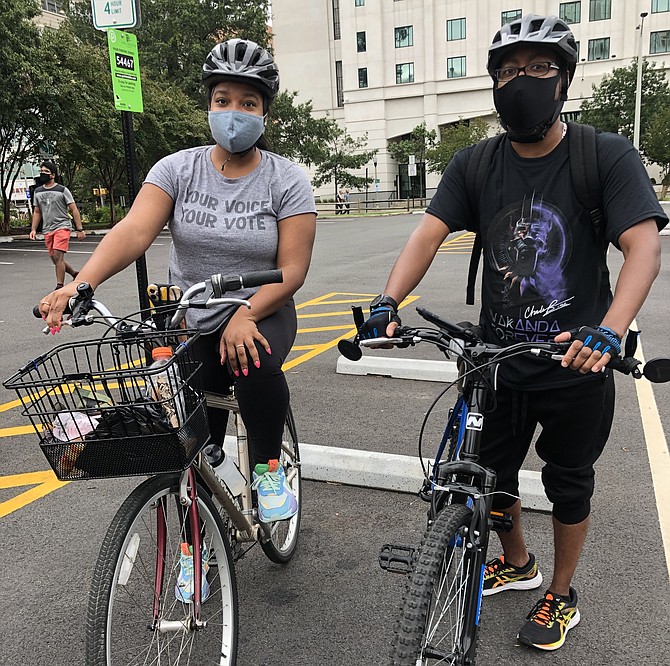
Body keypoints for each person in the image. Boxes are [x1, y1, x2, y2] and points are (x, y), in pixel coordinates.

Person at [358, 14, 666, 652]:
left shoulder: (602, 155)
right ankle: (518, 563)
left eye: (538, 68)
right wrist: (388, 300)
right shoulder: (475, 163)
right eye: (507, 70)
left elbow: (643, 248)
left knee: (568, 480)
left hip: (577, 360)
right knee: (490, 477)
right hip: (497, 359)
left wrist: (608, 333)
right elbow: (428, 232)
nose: (519, 80)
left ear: (564, 82)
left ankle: (560, 591)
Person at [40, 38, 317, 536]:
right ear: (209, 105)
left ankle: (269, 473)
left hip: (262, 309)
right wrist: (78, 285)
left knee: (252, 361)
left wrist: (246, 313)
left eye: (248, 103)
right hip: (191, 316)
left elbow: (293, 270)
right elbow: (132, 231)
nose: (234, 112)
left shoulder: (286, 179)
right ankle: (200, 549)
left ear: (264, 114)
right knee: (191, 445)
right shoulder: (177, 169)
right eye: (223, 100)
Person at [29, 161, 85, 290]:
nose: (42, 174)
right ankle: (75, 274)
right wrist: (33, 229)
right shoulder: (37, 192)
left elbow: (74, 209)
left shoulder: (62, 190)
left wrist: (79, 229)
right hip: (48, 229)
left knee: (58, 256)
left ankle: (59, 286)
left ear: (53, 175)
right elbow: (37, 211)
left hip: (62, 226)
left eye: (46, 172)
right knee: (55, 259)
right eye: (41, 171)